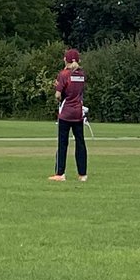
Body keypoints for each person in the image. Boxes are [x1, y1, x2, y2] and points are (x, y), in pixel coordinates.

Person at [50, 49, 88, 181]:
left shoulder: (64, 74)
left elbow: (58, 95)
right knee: (80, 142)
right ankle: (82, 174)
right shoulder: (82, 74)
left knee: (62, 143)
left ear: (66, 59)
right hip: (78, 112)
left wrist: (58, 90)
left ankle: (60, 173)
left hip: (66, 112)